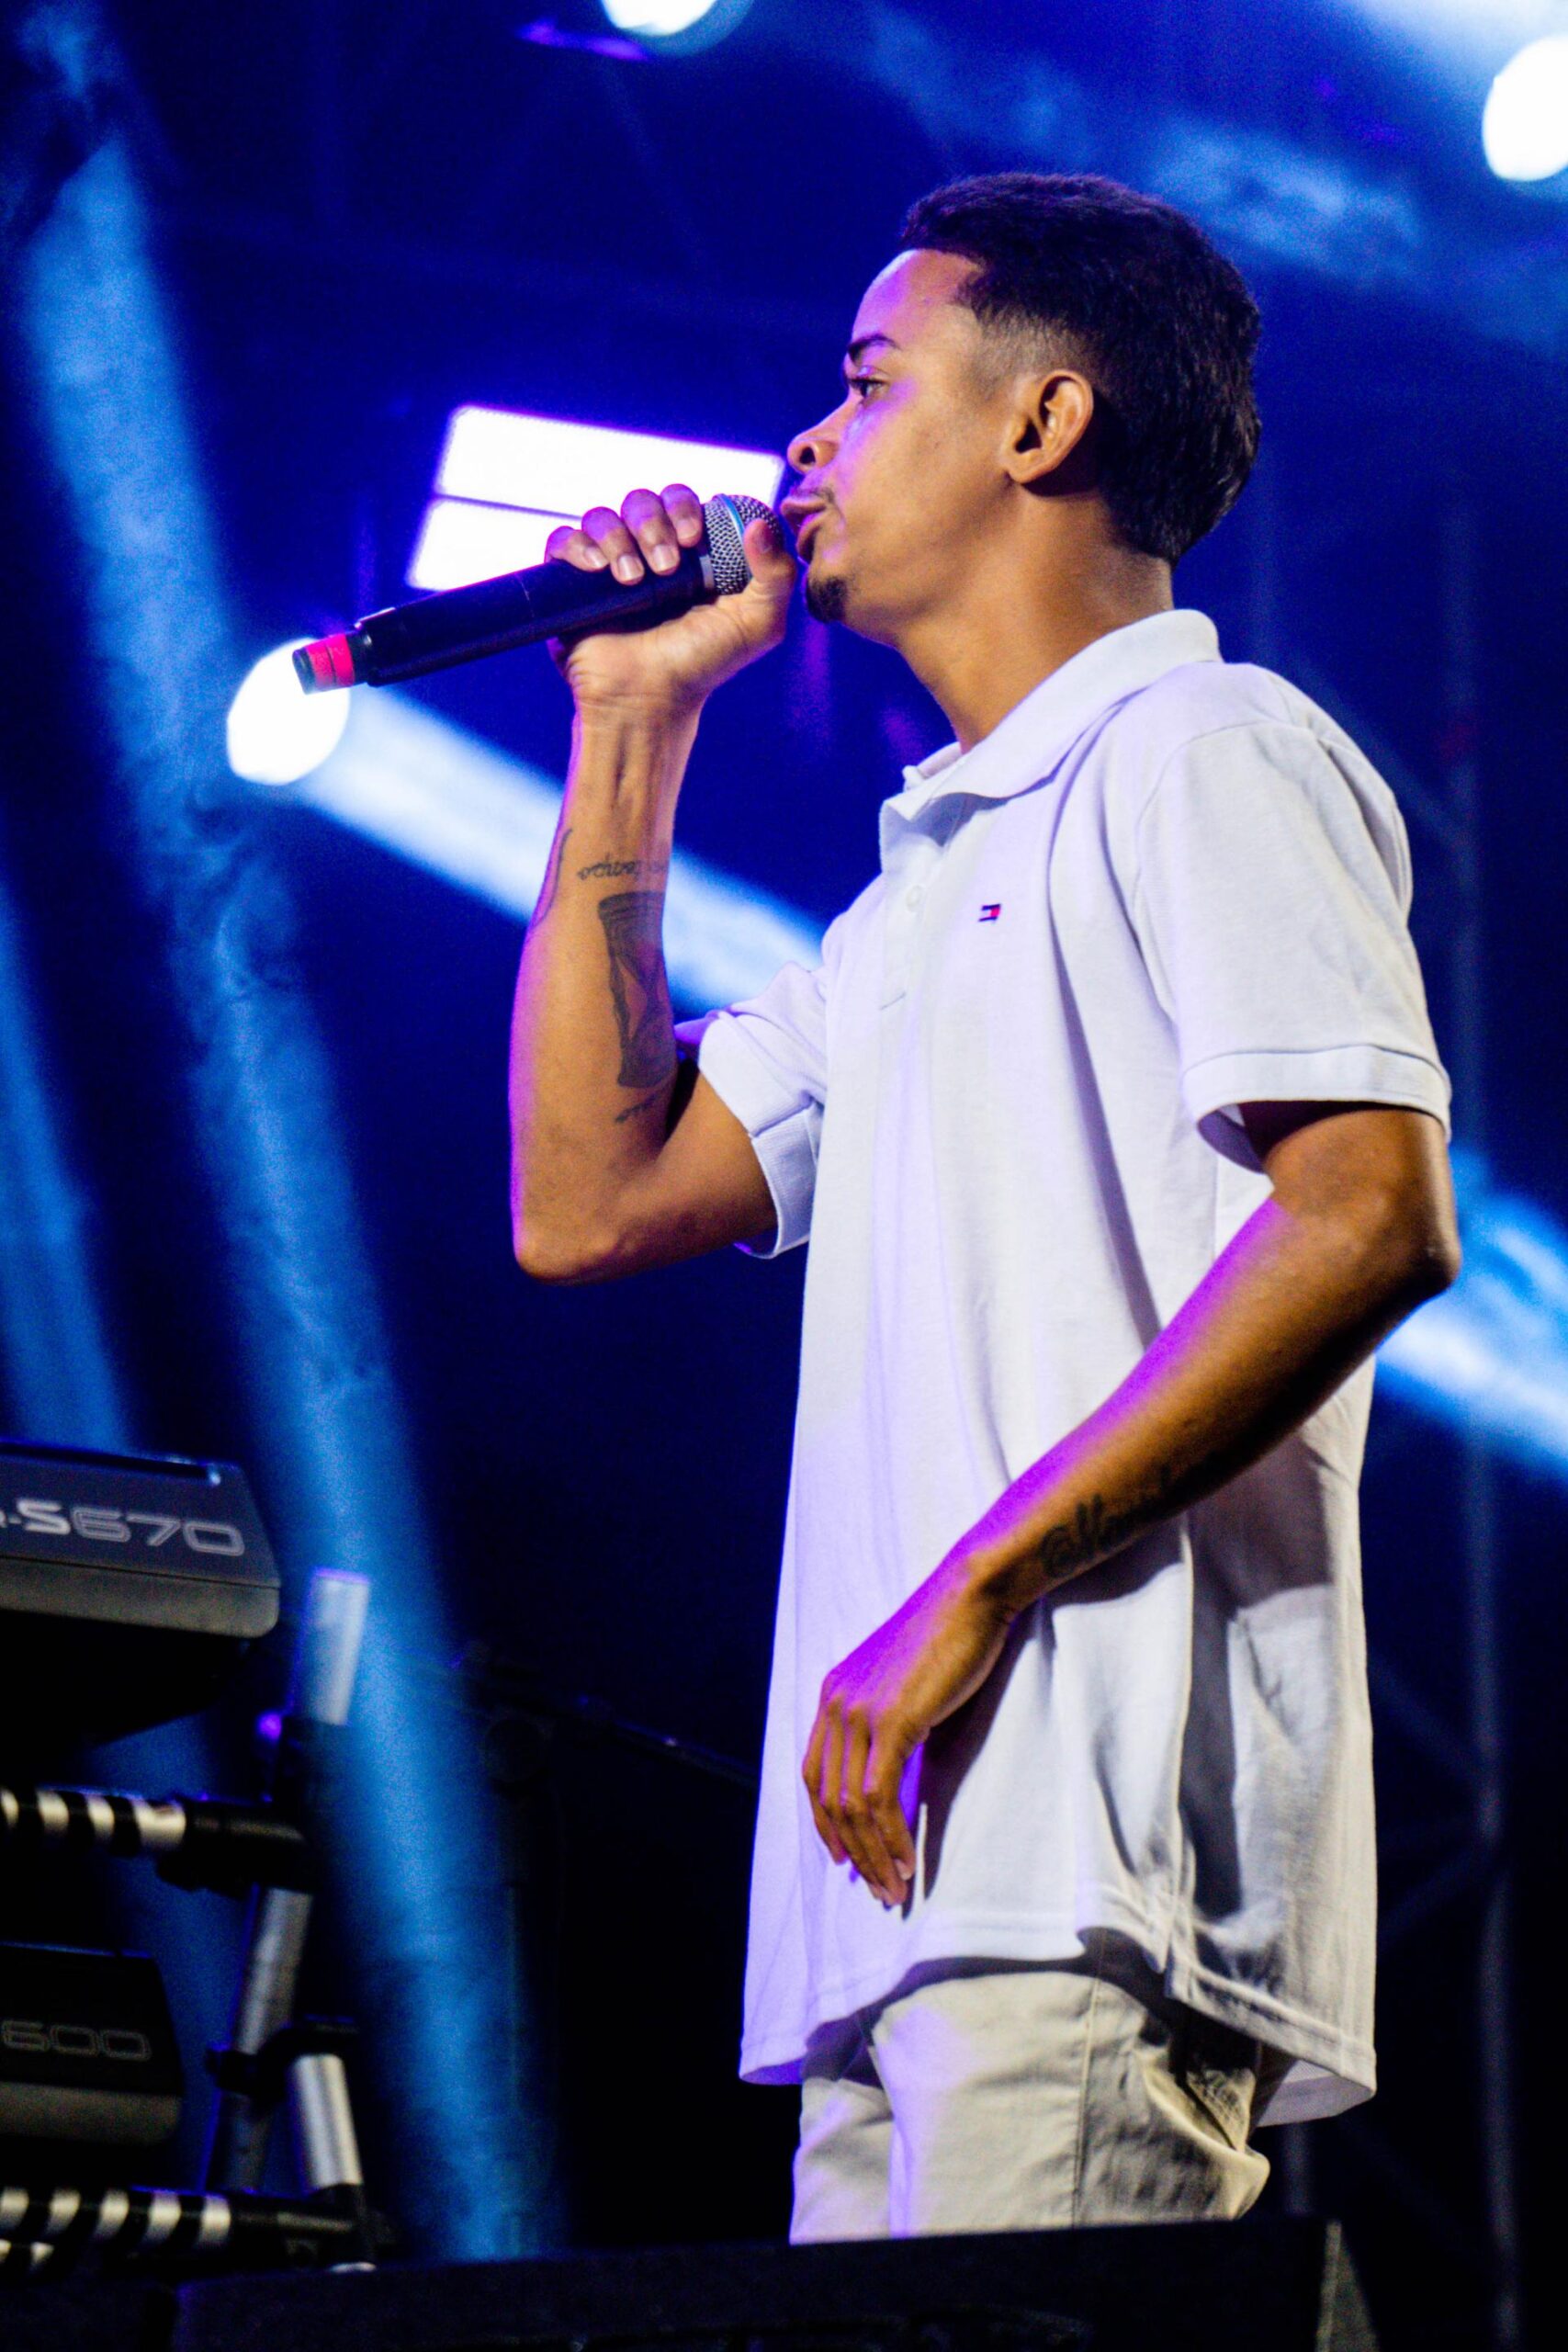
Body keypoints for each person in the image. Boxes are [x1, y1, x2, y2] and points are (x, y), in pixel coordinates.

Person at [508, 172, 1459, 2240]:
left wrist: (970, 1586)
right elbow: (586, 1199)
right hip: (894, 1896)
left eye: (866, 382)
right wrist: (631, 725)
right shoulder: (912, 895)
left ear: (1042, 421)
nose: (807, 440)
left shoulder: (1205, 744)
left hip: (1084, 1862)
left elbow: (1369, 1214)